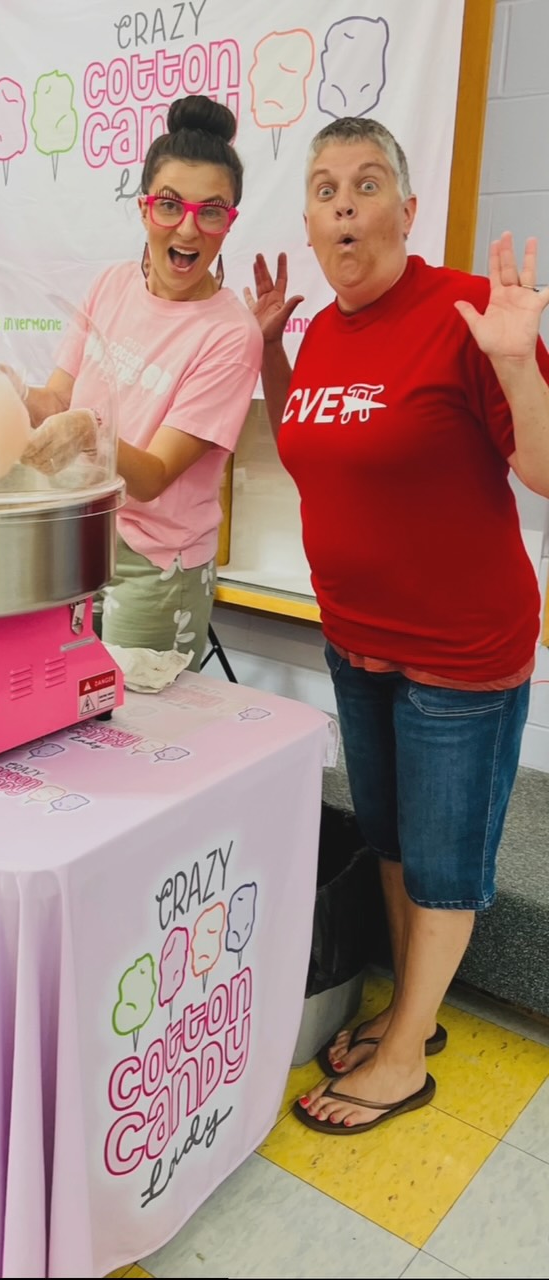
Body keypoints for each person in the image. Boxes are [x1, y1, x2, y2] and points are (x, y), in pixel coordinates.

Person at [246, 115, 549, 1134]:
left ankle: (408, 1053)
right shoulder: (325, 332)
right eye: (325, 188)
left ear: (407, 210)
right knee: (388, 839)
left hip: (460, 656)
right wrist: (269, 351)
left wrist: (518, 363)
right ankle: (403, 1014)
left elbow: (545, 469)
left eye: (367, 184)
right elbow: (307, 438)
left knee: (444, 864)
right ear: (310, 220)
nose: (344, 204)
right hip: (357, 642)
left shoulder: (463, 312)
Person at [13, 94, 262, 670]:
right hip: (80, 536)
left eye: (211, 212)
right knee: (65, 698)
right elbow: (56, 398)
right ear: (145, 208)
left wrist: (88, 431)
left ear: (229, 222)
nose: (188, 229)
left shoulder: (230, 334)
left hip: (156, 566)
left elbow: (150, 478)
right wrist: (10, 393)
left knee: (140, 715)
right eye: (170, 205)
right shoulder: (110, 286)